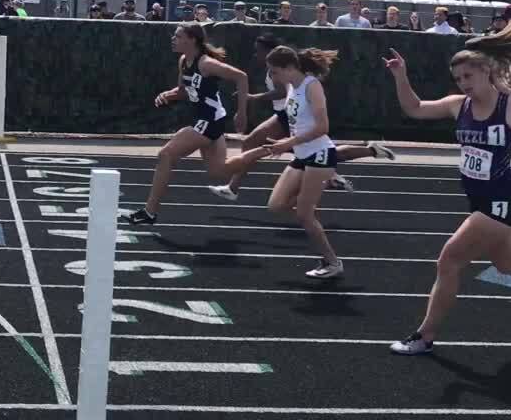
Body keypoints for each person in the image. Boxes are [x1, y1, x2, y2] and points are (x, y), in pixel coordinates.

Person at [383, 23, 511, 356]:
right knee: (508, 265)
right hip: (478, 200)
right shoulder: (460, 105)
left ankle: (424, 336)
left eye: (468, 77)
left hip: (498, 204)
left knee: (449, 260)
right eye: (458, 79)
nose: (463, 84)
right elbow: (414, 109)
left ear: (487, 71)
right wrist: (401, 76)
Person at [209, 35, 395, 201]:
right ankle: (361, 156)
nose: (255, 54)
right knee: (317, 151)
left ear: (271, 53)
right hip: (288, 115)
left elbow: (284, 92)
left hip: (287, 115)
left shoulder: (283, 73)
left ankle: (233, 187)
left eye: (259, 51)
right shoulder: (279, 70)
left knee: (256, 142)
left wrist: (254, 98)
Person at [125, 23, 249, 226]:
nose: (173, 39)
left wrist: (242, 113)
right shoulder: (184, 61)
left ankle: (150, 211)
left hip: (211, 119)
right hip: (202, 118)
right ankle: (262, 151)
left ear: (192, 39)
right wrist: (169, 94)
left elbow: (241, 77)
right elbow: (183, 90)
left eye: (178, 36)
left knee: (166, 154)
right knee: (218, 172)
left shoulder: (206, 63)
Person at [258, 45, 348, 278]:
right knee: (276, 205)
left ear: (289, 68)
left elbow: (323, 127)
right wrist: (287, 143)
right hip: (302, 154)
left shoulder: (312, 86)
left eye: (274, 72)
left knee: (304, 215)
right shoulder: (290, 86)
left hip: (319, 153)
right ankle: (326, 183)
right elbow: (299, 123)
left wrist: (286, 143)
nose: (272, 77)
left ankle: (332, 262)